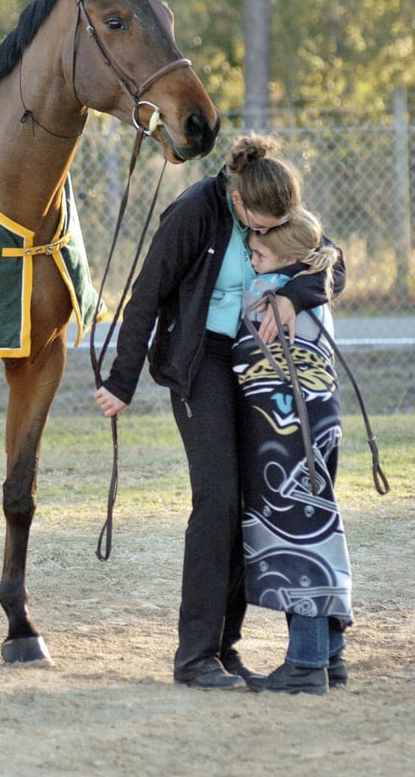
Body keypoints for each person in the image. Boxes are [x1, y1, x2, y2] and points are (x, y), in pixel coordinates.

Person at [94, 133, 345, 691]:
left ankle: (227, 650)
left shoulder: (271, 203)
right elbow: (146, 297)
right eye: (257, 225)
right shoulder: (193, 213)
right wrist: (121, 382)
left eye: (272, 225)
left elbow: (332, 262)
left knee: (252, 504)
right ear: (236, 197)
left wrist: (289, 296)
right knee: (217, 500)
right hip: (201, 362)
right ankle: (195, 655)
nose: (263, 233)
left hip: (254, 363)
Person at [233, 208, 351, 695]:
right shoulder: (313, 284)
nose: (252, 259)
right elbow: (330, 260)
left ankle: (306, 663)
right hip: (322, 420)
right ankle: (329, 655)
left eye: (258, 253)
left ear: (286, 259)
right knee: (318, 524)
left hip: (285, 429)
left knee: (293, 532)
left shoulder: (269, 291)